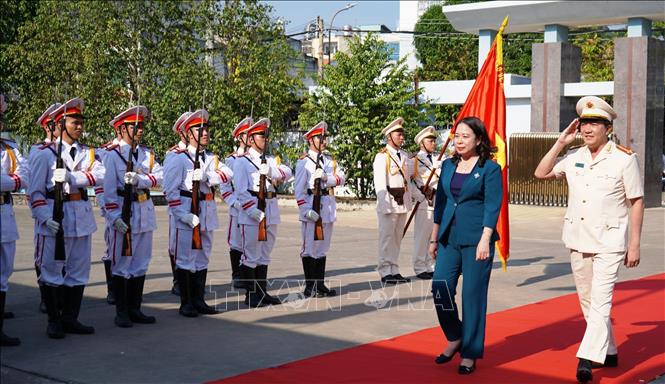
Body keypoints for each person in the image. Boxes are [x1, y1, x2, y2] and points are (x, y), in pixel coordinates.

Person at [534, 96, 644, 384]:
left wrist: (634, 244)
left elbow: (636, 201)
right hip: (578, 239)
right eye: (584, 123)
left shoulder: (624, 158)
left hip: (610, 241)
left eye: (594, 123)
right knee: (587, 300)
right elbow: (540, 173)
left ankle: (586, 357)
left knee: (600, 301)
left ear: (607, 127)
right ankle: (608, 351)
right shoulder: (575, 158)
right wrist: (560, 142)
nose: (587, 128)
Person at [428, 116, 502, 375]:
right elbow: (441, 203)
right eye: (456, 136)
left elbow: (493, 205)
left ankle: (469, 353)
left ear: (479, 139)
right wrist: (434, 237)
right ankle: (455, 336)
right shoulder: (448, 166)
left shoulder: (490, 168)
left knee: (472, 297)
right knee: (440, 287)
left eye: (465, 136)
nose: (459, 141)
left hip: (476, 240)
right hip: (449, 237)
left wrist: (485, 238)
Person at [28, 98, 104, 339]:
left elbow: (100, 175)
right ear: (60, 124)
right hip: (54, 217)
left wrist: (73, 177)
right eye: (74, 122)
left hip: (81, 217)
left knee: (78, 271)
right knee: (51, 270)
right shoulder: (43, 154)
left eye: (81, 122)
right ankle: (54, 320)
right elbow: (35, 193)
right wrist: (43, 217)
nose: (79, 126)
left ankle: (71, 318)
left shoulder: (88, 153)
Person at [163, 109, 233, 317]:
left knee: (202, 257)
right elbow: (170, 190)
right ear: (187, 133)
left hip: (207, 211)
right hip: (186, 211)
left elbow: (227, 174)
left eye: (206, 129)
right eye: (199, 129)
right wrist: (180, 214)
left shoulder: (211, 158)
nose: (205, 133)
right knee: (185, 258)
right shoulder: (177, 158)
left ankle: (199, 299)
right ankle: (186, 303)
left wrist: (206, 176)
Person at [103, 106, 162, 328]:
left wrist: (141, 180)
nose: (139, 130)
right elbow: (107, 191)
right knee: (122, 263)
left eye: (141, 126)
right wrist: (112, 217)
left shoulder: (146, 154)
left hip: (144, 211)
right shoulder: (112, 154)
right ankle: (122, 311)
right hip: (123, 211)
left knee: (141, 262)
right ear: (122, 128)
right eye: (134, 126)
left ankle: (135, 308)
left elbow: (160, 177)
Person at [233, 118, 292, 308]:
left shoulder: (272, 160)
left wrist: (271, 171)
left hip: (271, 208)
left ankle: (261, 291)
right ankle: (250, 295)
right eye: (261, 135)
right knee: (251, 254)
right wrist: (252, 211)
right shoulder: (242, 161)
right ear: (250, 139)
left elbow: (288, 172)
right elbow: (241, 191)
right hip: (253, 211)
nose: (265, 139)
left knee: (265, 253)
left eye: (267, 135)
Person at [294, 121, 346, 297]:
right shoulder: (303, 163)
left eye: (325, 137)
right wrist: (305, 210)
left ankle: (320, 284)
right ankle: (309, 287)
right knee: (309, 248)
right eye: (320, 138)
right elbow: (299, 191)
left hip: (327, 207)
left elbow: (341, 177)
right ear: (310, 140)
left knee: (323, 248)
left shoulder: (330, 160)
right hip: (311, 206)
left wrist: (326, 177)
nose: (324, 141)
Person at [1, 94, 28, 346]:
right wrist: (10, 181)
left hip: (5, 213)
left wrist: (9, 182)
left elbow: (25, 176)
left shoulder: (10, 148)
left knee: (4, 269)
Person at [373, 117, 414, 284]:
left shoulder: (404, 155)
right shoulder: (382, 156)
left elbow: (409, 179)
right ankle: (384, 270)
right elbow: (380, 183)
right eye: (399, 134)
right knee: (386, 238)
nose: (402, 137)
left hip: (402, 201)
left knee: (397, 237)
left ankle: (394, 269)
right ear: (389, 136)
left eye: (402, 134)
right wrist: (384, 205)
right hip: (389, 201)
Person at [30, 103, 61, 314]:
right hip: (45, 209)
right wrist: (42, 214)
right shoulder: (39, 150)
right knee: (44, 256)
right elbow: (34, 187)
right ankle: (45, 297)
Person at [163, 111, 191, 297]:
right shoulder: (174, 154)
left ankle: (190, 283)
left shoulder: (200, 154)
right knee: (176, 244)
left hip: (195, 206)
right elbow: (169, 187)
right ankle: (178, 281)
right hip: (179, 205)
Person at [224, 117, 253, 290]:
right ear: (239, 137)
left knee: (249, 241)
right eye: (245, 134)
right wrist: (233, 202)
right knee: (236, 242)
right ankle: (237, 275)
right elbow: (225, 186)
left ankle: (248, 272)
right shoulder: (232, 160)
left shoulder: (255, 158)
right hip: (238, 207)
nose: (249, 137)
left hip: (252, 205)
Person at [96, 122, 122, 305]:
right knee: (111, 248)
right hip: (112, 206)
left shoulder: (141, 153)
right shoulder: (105, 152)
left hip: (133, 206)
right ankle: (112, 289)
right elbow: (100, 185)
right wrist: (106, 209)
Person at [410, 126, 441, 280]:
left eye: (434, 140)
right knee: (422, 237)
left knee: (433, 237)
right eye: (430, 141)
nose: (434, 143)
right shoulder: (414, 160)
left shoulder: (437, 159)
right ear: (422, 143)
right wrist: (418, 195)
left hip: (438, 200)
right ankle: (419, 267)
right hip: (424, 202)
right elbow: (407, 181)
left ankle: (431, 265)